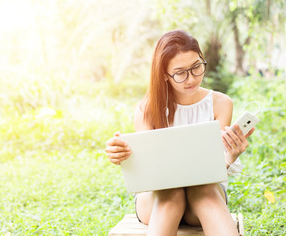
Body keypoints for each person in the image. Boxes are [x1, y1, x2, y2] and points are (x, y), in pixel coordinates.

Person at [105, 30, 254, 236]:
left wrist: (231, 155)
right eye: (180, 72)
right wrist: (122, 156)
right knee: (171, 193)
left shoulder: (221, 104)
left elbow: (214, 169)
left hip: (203, 195)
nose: (191, 78)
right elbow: (148, 173)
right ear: (164, 75)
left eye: (196, 67)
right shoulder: (147, 109)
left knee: (204, 188)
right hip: (157, 199)